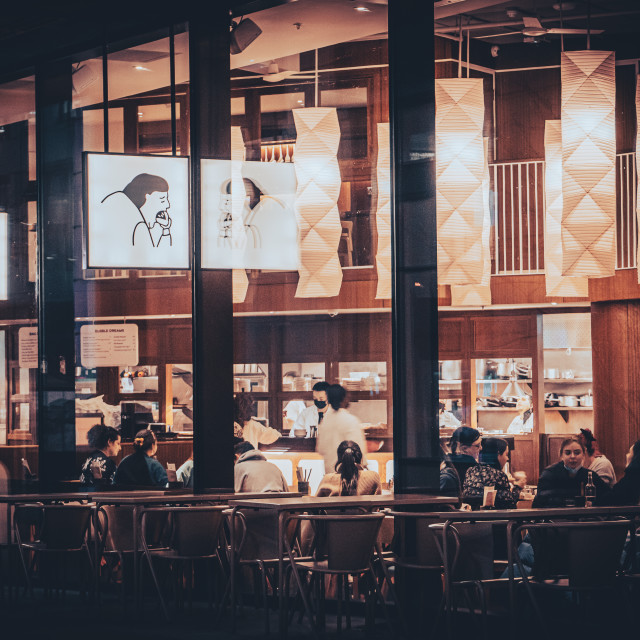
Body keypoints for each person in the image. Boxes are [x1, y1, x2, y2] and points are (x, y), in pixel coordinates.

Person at [532, 436, 610, 508]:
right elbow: (539, 501)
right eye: (568, 453)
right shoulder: (549, 474)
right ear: (561, 455)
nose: (572, 456)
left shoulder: (591, 476)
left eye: (577, 452)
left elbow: (607, 498)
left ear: (583, 455)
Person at [315, 384, 367, 474]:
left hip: (330, 477)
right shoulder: (351, 421)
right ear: (344, 399)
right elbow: (359, 454)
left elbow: (321, 449)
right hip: (349, 480)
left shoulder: (325, 422)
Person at [462, 437, 519, 509]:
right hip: (493, 518)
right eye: (506, 454)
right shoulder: (499, 475)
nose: (507, 458)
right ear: (498, 454)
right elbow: (510, 504)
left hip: (470, 517)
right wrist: (518, 487)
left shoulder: (470, 471)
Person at [316, 441, 381, 496]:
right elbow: (378, 504)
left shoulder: (327, 479)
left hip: (335, 511)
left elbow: (315, 505)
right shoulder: (373, 476)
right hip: (364, 511)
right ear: (360, 457)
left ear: (339, 458)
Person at [599, 440, 640, 505]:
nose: (627, 455)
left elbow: (610, 499)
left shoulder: (631, 479)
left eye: (629, 452)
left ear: (636, 457)